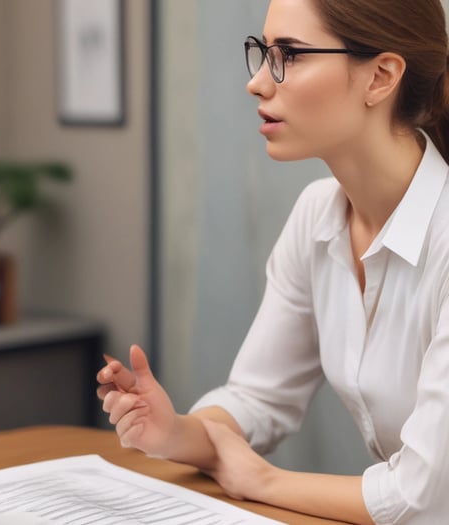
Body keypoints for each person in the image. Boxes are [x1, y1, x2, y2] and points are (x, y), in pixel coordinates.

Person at [98, 0, 449, 523]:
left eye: (290, 54)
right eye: (263, 53)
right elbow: (257, 401)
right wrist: (174, 431)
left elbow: (422, 496)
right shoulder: (316, 216)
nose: (259, 82)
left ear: (381, 76)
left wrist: (262, 479)